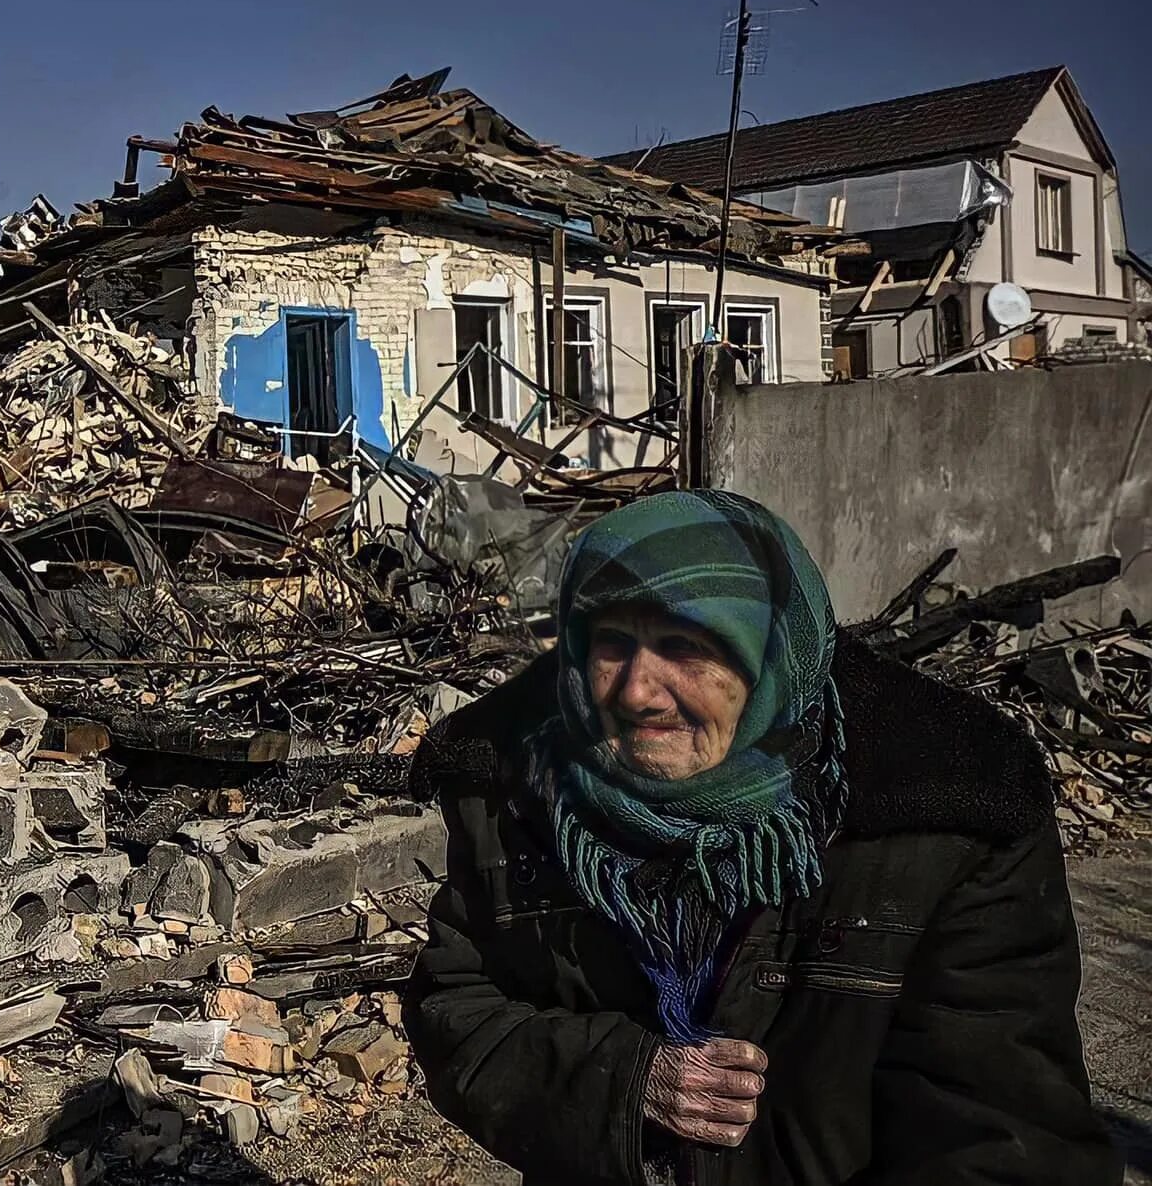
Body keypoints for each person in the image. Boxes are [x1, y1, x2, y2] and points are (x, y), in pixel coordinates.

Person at [406, 489, 1119, 1185]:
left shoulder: (948, 815)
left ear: (774, 651)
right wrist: (623, 1081)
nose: (636, 692)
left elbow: (1002, 1133)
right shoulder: (520, 794)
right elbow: (459, 1008)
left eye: (685, 645)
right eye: (610, 644)